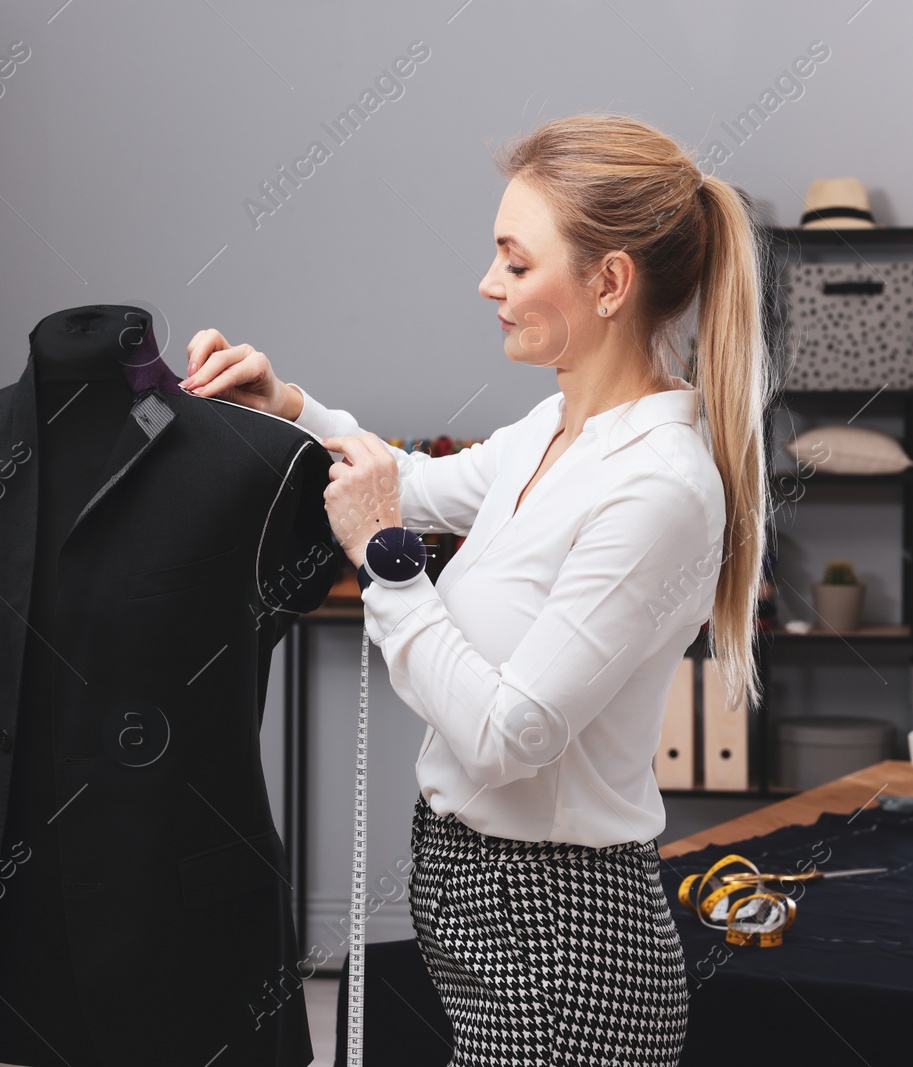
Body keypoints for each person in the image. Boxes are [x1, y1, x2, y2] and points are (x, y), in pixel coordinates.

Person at [182, 113, 771, 1065]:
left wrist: (383, 554)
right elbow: (412, 485)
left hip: (564, 935)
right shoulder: (555, 428)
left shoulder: (658, 489)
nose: (488, 285)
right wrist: (288, 408)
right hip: (476, 894)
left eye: (515, 261)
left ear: (609, 282)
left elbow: (511, 735)